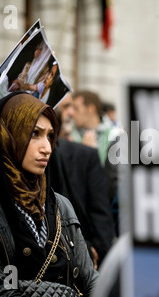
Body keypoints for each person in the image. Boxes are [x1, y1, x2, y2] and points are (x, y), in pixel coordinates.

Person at [0, 92, 98, 297]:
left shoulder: (60, 206)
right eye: (34, 134)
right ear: (6, 137)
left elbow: (91, 280)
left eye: (49, 136)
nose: (46, 148)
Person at [49, 93, 116, 269]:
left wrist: (97, 254)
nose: (70, 113)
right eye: (65, 107)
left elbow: (100, 211)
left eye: (73, 107)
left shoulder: (84, 154)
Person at [71, 90, 120, 166]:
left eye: (76, 108)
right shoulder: (69, 135)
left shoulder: (114, 134)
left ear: (91, 109)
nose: (72, 113)